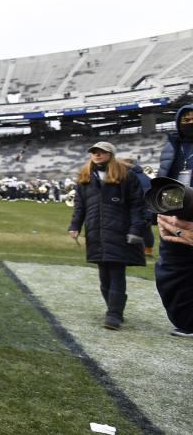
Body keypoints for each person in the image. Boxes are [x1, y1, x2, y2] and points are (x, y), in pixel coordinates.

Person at [67, 141, 146, 330]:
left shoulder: (127, 175)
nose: (97, 154)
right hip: (96, 231)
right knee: (104, 275)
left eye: (101, 152)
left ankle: (113, 315)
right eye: (94, 152)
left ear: (110, 154)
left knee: (117, 272)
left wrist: (136, 230)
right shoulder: (85, 177)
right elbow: (80, 206)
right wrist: (75, 225)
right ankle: (114, 308)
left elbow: (137, 205)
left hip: (120, 231)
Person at [155, 104, 193, 337]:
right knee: (170, 270)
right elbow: (162, 180)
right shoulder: (172, 148)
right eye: (185, 119)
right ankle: (186, 321)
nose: (189, 122)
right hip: (174, 213)